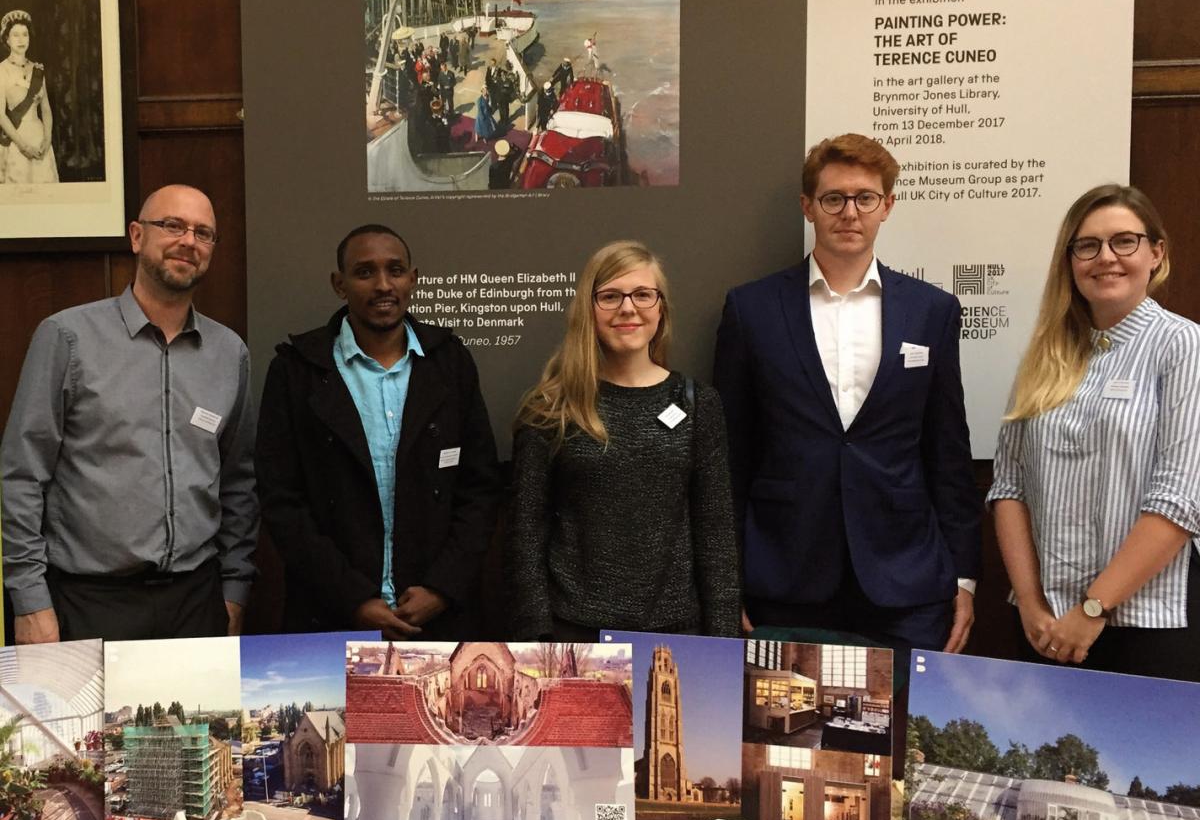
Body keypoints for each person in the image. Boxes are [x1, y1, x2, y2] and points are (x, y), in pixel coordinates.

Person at [714, 133, 980, 654]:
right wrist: (728, 577)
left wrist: (965, 576)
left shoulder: (931, 311)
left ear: (888, 205)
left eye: (865, 198)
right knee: (781, 730)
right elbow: (730, 454)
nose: (850, 212)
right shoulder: (752, 309)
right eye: (834, 198)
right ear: (808, 207)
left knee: (904, 732)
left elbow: (948, 451)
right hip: (784, 574)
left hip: (906, 579)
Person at [1, 184, 257, 642]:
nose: (188, 241)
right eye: (172, 225)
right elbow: (21, 474)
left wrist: (234, 591)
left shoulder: (228, 353)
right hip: (87, 601)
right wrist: (29, 600)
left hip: (196, 602)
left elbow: (238, 481)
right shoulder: (66, 337)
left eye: (204, 233)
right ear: (137, 236)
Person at [989, 185, 1200, 678]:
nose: (1106, 257)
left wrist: (1092, 611)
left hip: (1150, 625)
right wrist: (1031, 605)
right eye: (1088, 246)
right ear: (1071, 260)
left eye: (1124, 241)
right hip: (1045, 627)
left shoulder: (1183, 346)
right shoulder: (1044, 357)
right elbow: (1009, 487)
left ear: (1156, 253)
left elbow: (1178, 498)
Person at [255, 224, 502, 639]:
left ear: (414, 279)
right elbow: (282, 501)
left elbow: (480, 488)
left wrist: (441, 588)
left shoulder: (451, 363)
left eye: (396, 270)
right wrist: (352, 597)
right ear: (340, 284)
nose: (383, 285)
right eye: (365, 272)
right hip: (330, 614)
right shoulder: (297, 371)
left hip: (438, 618)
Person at [509, 240, 741, 641]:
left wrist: (723, 641)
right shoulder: (549, 407)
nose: (628, 308)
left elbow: (715, 530)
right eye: (610, 296)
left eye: (642, 295)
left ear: (661, 307)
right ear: (588, 308)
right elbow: (526, 531)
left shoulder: (699, 403)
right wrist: (538, 636)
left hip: (677, 631)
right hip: (573, 632)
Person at [0, 9, 59, 184]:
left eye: (25, 35)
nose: (21, 40)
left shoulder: (38, 70)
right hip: (15, 140)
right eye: (15, 35)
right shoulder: (1, 70)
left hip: (39, 138)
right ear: (7, 39)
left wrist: (47, 138)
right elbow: (1, 115)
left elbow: (46, 109)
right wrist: (23, 146)